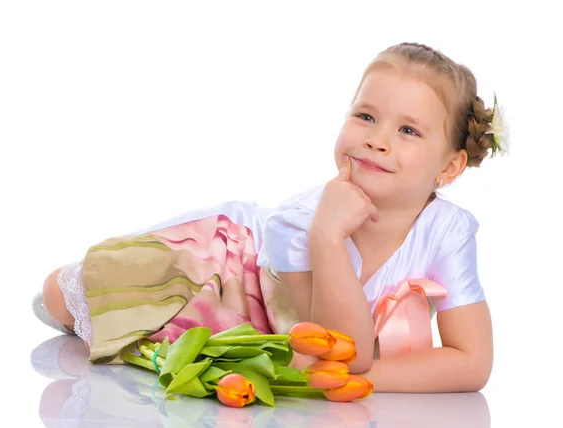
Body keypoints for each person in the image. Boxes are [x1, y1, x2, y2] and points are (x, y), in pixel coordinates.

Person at [34, 42, 508, 393]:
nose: (377, 140)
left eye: (407, 130)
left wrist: (363, 380)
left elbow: (472, 364)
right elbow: (347, 349)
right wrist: (327, 233)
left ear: (449, 167)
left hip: (292, 322)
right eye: (365, 117)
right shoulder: (300, 224)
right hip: (235, 273)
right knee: (63, 294)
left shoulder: (448, 229)